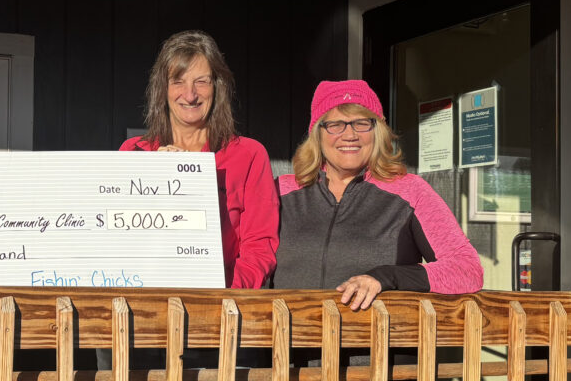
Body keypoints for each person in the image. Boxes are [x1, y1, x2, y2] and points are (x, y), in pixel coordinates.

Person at [275, 79, 482, 310]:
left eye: (362, 123)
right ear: (318, 133)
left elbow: (467, 269)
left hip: (380, 342)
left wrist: (387, 277)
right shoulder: (280, 191)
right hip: (285, 342)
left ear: (378, 131)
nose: (350, 135)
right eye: (335, 125)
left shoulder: (411, 191)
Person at [120, 30, 279, 289]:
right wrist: (151, 179)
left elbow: (260, 247)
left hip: (221, 306)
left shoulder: (249, 155)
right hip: (145, 301)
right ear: (163, 88)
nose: (190, 94)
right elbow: (119, 238)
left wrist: (223, 291)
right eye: (178, 81)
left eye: (201, 81)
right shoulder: (133, 152)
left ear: (218, 86)